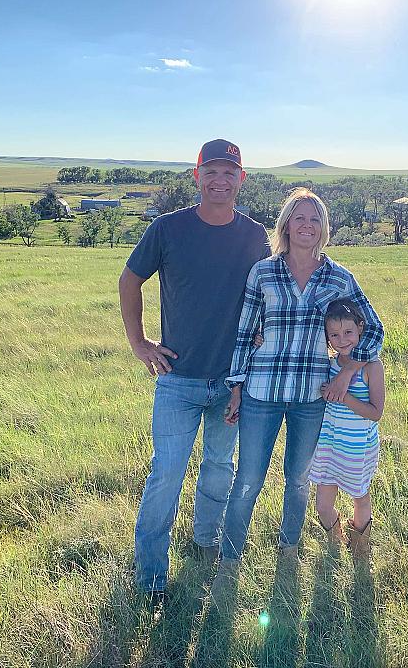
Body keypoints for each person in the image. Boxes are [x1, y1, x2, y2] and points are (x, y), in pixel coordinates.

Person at [209, 188, 383, 609]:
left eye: (315, 219)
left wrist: (348, 368)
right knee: (248, 478)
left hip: (311, 396)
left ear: (324, 228)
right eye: (298, 218)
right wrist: (236, 386)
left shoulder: (339, 277)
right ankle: (230, 557)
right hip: (262, 393)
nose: (307, 226)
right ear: (285, 224)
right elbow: (243, 334)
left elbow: (373, 330)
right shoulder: (263, 273)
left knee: (298, 480)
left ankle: (289, 551)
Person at [118, 138, 270, 610]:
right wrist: (139, 343)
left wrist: (250, 368)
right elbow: (129, 279)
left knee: (219, 469)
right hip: (178, 380)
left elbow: (267, 294)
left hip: (229, 381)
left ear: (241, 179)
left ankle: (205, 548)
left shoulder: (254, 236)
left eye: (230, 173)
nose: (220, 181)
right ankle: (150, 576)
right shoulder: (168, 229)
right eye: (212, 172)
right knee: (166, 473)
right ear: (196, 175)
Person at [309, 298, 385, 561]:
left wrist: (344, 396)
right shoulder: (327, 364)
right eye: (334, 335)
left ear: (361, 329)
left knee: (359, 497)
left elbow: (376, 412)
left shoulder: (371, 366)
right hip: (329, 446)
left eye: (348, 332)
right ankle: (336, 543)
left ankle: (361, 550)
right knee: (322, 504)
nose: (342, 340)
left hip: (356, 448)